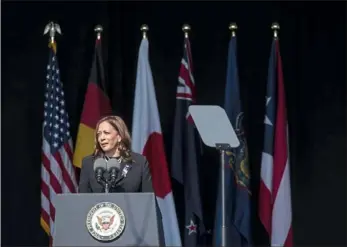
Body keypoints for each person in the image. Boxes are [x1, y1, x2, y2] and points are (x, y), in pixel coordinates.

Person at [78, 115, 154, 193]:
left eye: (106, 133)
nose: (101, 138)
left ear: (119, 137)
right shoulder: (89, 163)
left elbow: (148, 200)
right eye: (99, 134)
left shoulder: (139, 162)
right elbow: (83, 199)